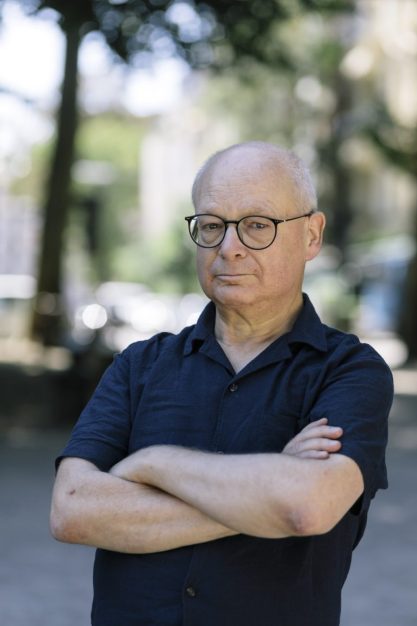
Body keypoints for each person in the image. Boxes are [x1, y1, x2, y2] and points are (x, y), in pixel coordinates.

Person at [50, 141, 393, 626]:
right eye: (212, 225)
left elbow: (305, 507)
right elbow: (72, 511)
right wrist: (269, 488)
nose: (229, 247)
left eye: (258, 225)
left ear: (311, 236)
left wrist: (151, 464)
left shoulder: (350, 371)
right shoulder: (138, 365)